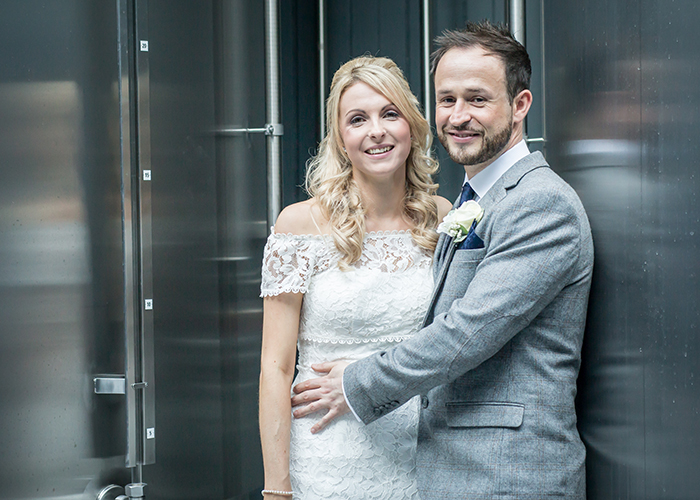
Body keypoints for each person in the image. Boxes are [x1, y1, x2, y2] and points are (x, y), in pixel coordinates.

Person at [291, 21, 594, 499]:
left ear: (520, 106)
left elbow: (467, 332)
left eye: (477, 99)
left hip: (507, 475)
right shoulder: (470, 201)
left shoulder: (540, 203)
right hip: (446, 468)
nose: (458, 116)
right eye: (447, 100)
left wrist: (356, 381)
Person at [258, 55, 452, 499]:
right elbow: (275, 366)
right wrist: (276, 487)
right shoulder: (299, 225)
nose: (376, 131)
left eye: (390, 114)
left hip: (421, 457)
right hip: (327, 457)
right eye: (358, 119)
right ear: (341, 139)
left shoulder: (443, 219)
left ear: (412, 125)